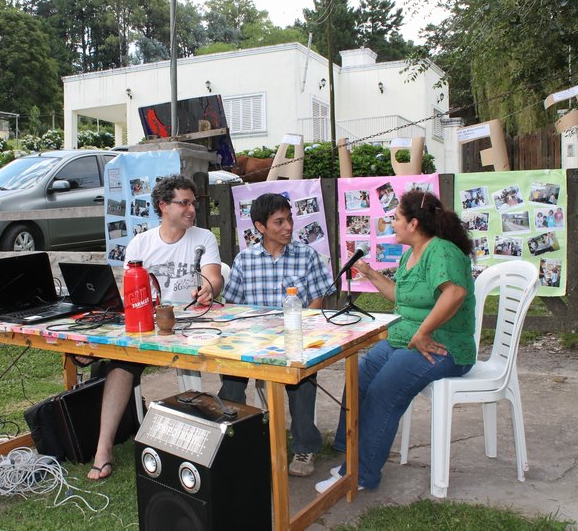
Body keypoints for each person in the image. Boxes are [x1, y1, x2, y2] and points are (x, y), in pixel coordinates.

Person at [315, 190, 476, 492]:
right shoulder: (410, 255)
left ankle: (361, 475)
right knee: (359, 377)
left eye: (396, 217)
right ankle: (348, 450)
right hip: (407, 340)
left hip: (444, 346)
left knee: (382, 393)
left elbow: (455, 293)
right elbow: (400, 296)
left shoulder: (440, 251)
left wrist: (424, 332)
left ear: (413, 223)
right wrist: (368, 272)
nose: (392, 222)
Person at [86, 176, 223, 480]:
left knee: (188, 364)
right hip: (150, 325)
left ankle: (197, 443)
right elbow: (130, 293)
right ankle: (102, 448)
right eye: (184, 202)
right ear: (163, 206)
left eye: (193, 202)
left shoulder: (203, 238)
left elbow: (214, 276)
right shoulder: (141, 243)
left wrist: (208, 288)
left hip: (192, 324)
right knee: (120, 365)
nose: (191, 208)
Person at [218, 193, 333, 477]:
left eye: (289, 219)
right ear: (260, 227)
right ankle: (231, 440)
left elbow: (318, 299)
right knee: (230, 380)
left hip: (295, 338)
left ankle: (305, 446)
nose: (288, 227)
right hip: (252, 340)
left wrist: (304, 328)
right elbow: (231, 306)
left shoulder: (306, 256)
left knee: (302, 381)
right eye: (279, 222)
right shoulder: (245, 260)